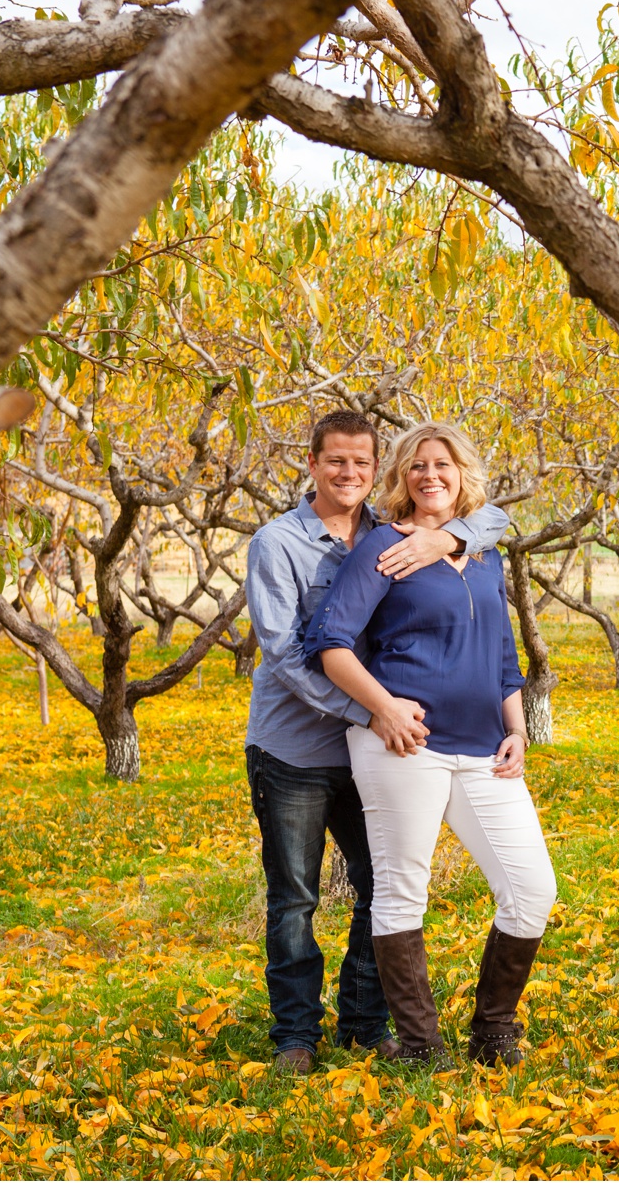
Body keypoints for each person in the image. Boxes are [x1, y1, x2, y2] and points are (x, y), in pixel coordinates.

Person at [244, 410, 508, 1076]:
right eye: (336, 461)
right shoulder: (278, 542)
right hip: (298, 747)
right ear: (311, 463)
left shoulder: (388, 531)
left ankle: (364, 1023)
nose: (350, 473)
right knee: (296, 897)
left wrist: (447, 539)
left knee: (378, 884)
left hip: (369, 752)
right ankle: (294, 1036)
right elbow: (284, 653)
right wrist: (371, 711)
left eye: (362, 463)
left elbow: (495, 520)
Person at [302, 422, 556, 1068]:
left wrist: (518, 728)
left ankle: (494, 1028)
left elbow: (503, 656)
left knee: (532, 887)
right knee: (401, 887)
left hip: (483, 748)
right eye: (417, 466)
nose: (430, 475)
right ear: (402, 478)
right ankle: (420, 1043)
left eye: (442, 463)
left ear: (462, 472)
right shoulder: (384, 545)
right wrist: (381, 707)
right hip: (404, 744)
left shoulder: (485, 554)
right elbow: (330, 641)